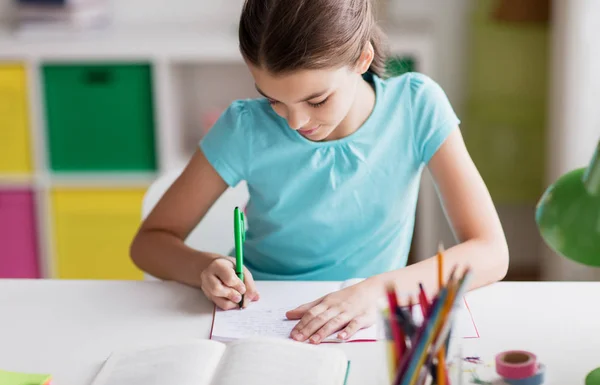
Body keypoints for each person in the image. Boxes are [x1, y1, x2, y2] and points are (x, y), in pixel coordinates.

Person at [130, 0, 509, 345]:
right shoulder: (243, 127)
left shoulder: (417, 106)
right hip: (259, 320)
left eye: (317, 100)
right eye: (274, 99)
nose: (295, 121)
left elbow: (490, 252)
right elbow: (150, 243)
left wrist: (371, 292)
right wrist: (203, 267)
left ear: (362, 59)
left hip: (362, 323)